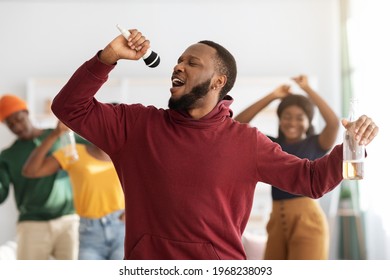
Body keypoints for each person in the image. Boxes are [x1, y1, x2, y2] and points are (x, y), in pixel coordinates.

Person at [50, 28, 378, 260]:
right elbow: (68, 108)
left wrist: (352, 144)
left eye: (192, 63)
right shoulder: (135, 126)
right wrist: (107, 58)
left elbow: (311, 180)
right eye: (179, 61)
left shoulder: (247, 141)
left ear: (218, 82)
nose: (178, 66)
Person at [234, 75, 340, 259]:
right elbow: (236, 126)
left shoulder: (316, 144)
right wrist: (272, 96)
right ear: (280, 119)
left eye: (300, 118)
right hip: (275, 221)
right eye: (287, 117)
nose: (292, 122)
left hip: (308, 221)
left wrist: (307, 89)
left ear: (308, 122)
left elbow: (333, 123)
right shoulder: (270, 145)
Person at [22, 121, 126, 260]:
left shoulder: (127, 155)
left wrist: (132, 213)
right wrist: (54, 134)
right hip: (89, 231)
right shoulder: (74, 153)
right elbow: (31, 171)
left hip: (122, 228)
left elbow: (147, 186)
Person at [0, 94, 79, 260]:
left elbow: (97, 152)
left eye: (19, 119)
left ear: (26, 112)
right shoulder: (7, 156)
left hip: (67, 221)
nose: (17, 126)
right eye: (11, 124)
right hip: (31, 224)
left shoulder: (61, 135)